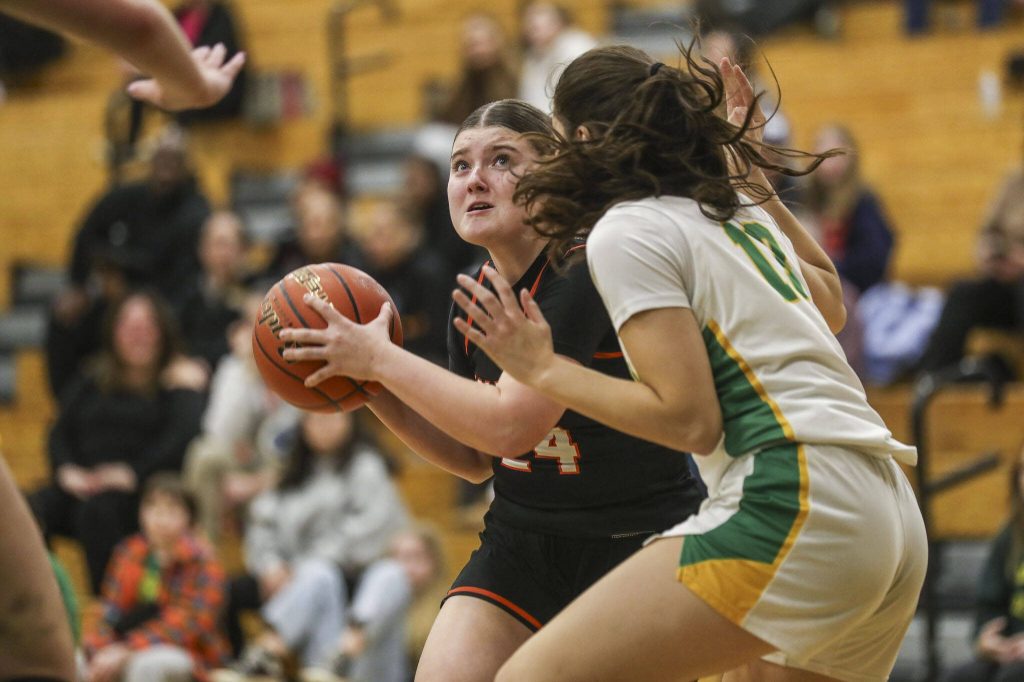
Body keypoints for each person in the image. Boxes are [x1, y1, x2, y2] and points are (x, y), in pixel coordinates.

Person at [448, 47, 927, 682]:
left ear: (586, 141)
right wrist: (751, 177)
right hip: (889, 508)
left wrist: (543, 368)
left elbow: (690, 422)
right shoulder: (720, 202)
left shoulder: (624, 229)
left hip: (795, 489)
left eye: (561, 142)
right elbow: (832, 301)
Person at [279, 99, 705, 682]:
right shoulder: (476, 292)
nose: (475, 177)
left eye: (501, 159)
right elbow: (476, 457)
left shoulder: (582, 269)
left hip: (636, 538)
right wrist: (367, 384)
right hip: (522, 539)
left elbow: (512, 424)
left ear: (551, 175)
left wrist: (382, 358)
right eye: (459, 166)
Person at [0, 2, 242, 679]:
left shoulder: (176, 374)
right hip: (97, 496)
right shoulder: (95, 378)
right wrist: (192, 87)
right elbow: (137, 26)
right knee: (35, 635)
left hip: (128, 495)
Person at [30, 291, 207, 594]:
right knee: (28, 508)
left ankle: (110, 609)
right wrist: (65, 471)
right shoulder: (92, 377)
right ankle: (43, 599)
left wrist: (132, 473)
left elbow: (182, 439)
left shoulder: (177, 381)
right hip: (82, 485)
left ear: (162, 333)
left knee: (97, 513)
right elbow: (58, 431)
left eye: (146, 327)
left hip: (140, 492)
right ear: (114, 333)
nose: (137, 336)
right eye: (128, 327)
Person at [222, 411, 407, 677]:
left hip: (353, 578)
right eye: (314, 418)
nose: (323, 425)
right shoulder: (291, 470)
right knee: (317, 577)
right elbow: (262, 524)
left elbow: (368, 530)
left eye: (333, 417)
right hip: (300, 582)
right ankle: (320, 666)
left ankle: (269, 652)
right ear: (302, 424)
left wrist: (301, 568)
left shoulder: (367, 466)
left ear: (350, 421)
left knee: (380, 574)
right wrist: (271, 566)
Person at [82, 473, 229, 682]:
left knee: (148, 667)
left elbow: (189, 624)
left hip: (187, 652)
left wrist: (128, 648)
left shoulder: (203, 561)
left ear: (190, 519)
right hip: (124, 644)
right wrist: (101, 648)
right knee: (78, 660)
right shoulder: (128, 552)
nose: (161, 519)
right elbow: (110, 610)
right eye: (153, 508)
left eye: (172, 511)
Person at [918, 158, 1024, 375]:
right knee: (962, 293)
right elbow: (987, 232)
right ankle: (935, 378)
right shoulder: (1015, 182)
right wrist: (989, 255)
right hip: (1007, 282)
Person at [941, 442, 1024, 682]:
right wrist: (986, 640)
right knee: (961, 677)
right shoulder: (1010, 536)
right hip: (1011, 652)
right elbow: (989, 604)